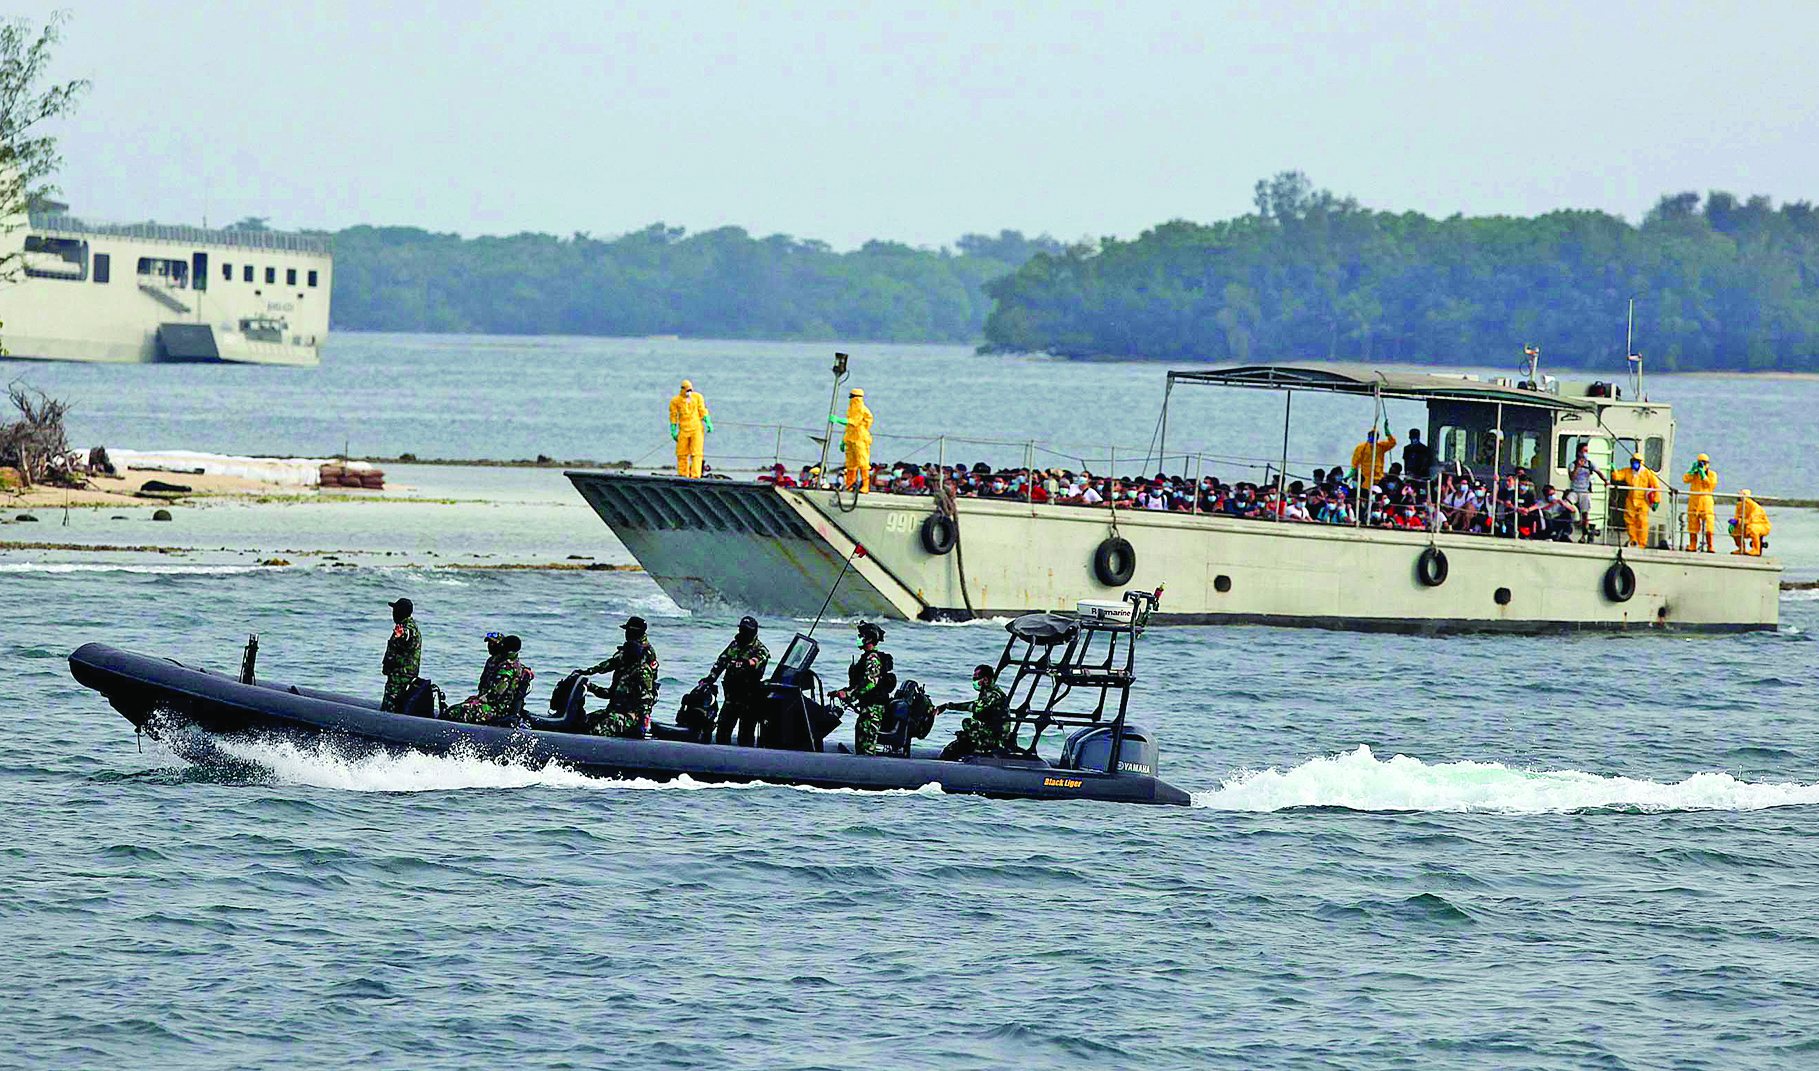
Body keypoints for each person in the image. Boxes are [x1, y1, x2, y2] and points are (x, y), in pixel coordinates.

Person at [580, 616, 660, 737]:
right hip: (615, 709)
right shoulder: (628, 653)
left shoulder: (643, 660)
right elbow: (611, 665)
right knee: (583, 722)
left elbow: (646, 696)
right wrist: (587, 676)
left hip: (630, 713)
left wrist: (643, 723)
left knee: (598, 730)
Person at [704, 615, 770, 746]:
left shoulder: (761, 650)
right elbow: (721, 662)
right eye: (742, 630)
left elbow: (753, 663)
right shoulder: (734, 645)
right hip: (731, 698)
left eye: (747, 631)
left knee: (745, 734)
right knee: (723, 729)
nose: (743, 633)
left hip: (749, 699)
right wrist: (710, 678)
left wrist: (741, 663)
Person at [829, 621, 889, 755]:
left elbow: (870, 683)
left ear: (869, 639)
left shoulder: (873, 659)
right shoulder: (865, 658)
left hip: (872, 711)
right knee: (861, 741)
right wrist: (841, 692)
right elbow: (859, 684)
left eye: (861, 635)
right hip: (867, 710)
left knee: (866, 747)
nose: (858, 638)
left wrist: (849, 694)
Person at [445, 635, 532, 725]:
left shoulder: (507, 667)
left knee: (457, 712)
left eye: (492, 644)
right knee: (455, 709)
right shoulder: (500, 661)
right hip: (492, 704)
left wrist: (482, 699)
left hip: (497, 709)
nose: (490, 646)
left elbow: (498, 691)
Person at [938, 664, 1013, 761]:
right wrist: (948, 706)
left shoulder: (994, 695)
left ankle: (979, 750)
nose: (974, 682)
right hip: (987, 733)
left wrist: (951, 706)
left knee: (967, 722)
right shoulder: (986, 693)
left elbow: (976, 707)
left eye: (976, 678)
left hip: (996, 737)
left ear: (985, 679)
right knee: (951, 750)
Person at [1610, 456, 1663, 548]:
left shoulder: (1648, 473)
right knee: (1629, 520)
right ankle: (1633, 540)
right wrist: (1614, 470)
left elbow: (1656, 487)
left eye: (1636, 462)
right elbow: (1619, 476)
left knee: (1642, 521)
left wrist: (1656, 501)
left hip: (1643, 500)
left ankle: (1642, 544)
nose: (1634, 464)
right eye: (1633, 461)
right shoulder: (1628, 471)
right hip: (1631, 499)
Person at [380, 597, 421, 712]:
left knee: (390, 705)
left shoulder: (408, 628)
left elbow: (407, 635)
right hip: (402, 676)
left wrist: (400, 635)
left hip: (400, 677)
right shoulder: (408, 625)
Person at [829, 387, 873, 492]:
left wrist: (838, 420)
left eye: (853, 397)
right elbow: (849, 428)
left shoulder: (861, 409)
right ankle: (850, 484)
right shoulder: (851, 409)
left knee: (863, 462)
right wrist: (844, 441)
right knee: (850, 463)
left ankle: (865, 486)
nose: (852, 399)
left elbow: (853, 422)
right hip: (850, 438)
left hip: (860, 438)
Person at [668, 379, 712, 478]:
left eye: (690, 390)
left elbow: (702, 410)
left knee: (696, 453)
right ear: (682, 390)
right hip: (683, 429)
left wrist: (707, 421)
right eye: (687, 390)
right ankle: (683, 474)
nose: (689, 392)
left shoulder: (697, 397)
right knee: (681, 453)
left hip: (696, 429)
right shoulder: (675, 401)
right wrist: (673, 429)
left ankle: (695, 475)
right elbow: (673, 415)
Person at [1567, 442, 1606, 542]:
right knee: (1566, 505)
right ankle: (1568, 529)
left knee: (1585, 515)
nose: (1586, 453)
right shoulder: (1572, 464)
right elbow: (1572, 477)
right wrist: (1577, 467)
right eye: (1584, 451)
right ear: (1579, 452)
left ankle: (1584, 536)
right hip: (1574, 491)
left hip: (1585, 492)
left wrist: (1606, 481)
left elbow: (1599, 472)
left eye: (1587, 451)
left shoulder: (1590, 464)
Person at [1350, 426, 1397, 506]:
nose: (1372, 438)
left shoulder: (1381, 447)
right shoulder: (1361, 447)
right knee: (1366, 497)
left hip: (1378, 478)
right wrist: (1350, 473)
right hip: (1366, 478)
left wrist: (1387, 433)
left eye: (1375, 436)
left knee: (1380, 497)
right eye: (1371, 436)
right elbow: (1355, 462)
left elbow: (1393, 443)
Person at [1682, 453, 1718, 553]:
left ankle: (1710, 545)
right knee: (1692, 524)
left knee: (1709, 525)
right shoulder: (1694, 475)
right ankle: (1693, 545)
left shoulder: (1712, 474)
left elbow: (1710, 485)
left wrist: (1703, 475)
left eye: (1704, 463)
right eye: (1700, 463)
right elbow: (1685, 479)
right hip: (1694, 501)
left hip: (1706, 502)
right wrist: (1692, 471)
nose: (1702, 465)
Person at [1732, 490, 1770, 555]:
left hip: (1762, 525)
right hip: (1746, 524)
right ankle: (1741, 548)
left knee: (1753, 528)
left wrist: (1739, 521)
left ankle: (1756, 549)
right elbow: (1737, 517)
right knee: (1734, 529)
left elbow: (1752, 520)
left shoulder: (1755, 507)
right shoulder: (1739, 506)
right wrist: (1734, 522)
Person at [1402, 429, 1432, 495]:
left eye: (1415, 437)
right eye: (1412, 437)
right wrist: (1407, 473)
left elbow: (1425, 463)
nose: (1413, 439)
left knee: (1419, 492)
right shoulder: (1407, 448)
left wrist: (1418, 474)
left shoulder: (1424, 449)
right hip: (1410, 474)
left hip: (1420, 476)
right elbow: (1405, 461)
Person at [476, 630, 506, 696]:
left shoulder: (505, 661)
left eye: (492, 643)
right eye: (489, 643)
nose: (489, 646)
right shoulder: (491, 660)